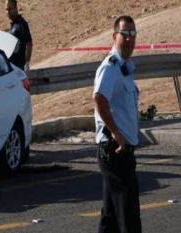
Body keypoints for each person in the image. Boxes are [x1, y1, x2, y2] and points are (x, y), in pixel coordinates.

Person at [93, 15, 142, 233]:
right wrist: (116, 133)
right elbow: (99, 98)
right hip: (116, 152)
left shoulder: (124, 68)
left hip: (121, 152)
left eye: (133, 34)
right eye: (125, 34)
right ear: (115, 36)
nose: (129, 39)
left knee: (110, 219)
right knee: (129, 219)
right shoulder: (111, 67)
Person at [5, 0, 33, 72]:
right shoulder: (13, 25)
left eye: (10, 9)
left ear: (15, 8)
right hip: (12, 66)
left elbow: (29, 43)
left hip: (19, 66)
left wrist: (27, 62)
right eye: (6, 9)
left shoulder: (21, 24)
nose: (8, 12)